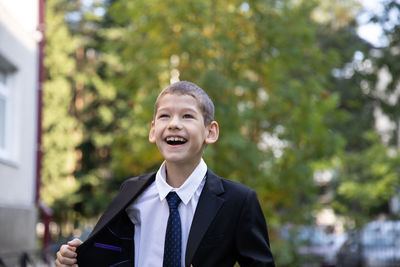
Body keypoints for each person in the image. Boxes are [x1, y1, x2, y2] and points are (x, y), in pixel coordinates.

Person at [55, 81, 275, 267]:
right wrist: (73, 260)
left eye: (187, 116)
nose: (174, 124)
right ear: (153, 131)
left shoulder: (238, 201)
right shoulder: (131, 192)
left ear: (211, 131)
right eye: (165, 116)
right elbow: (108, 255)